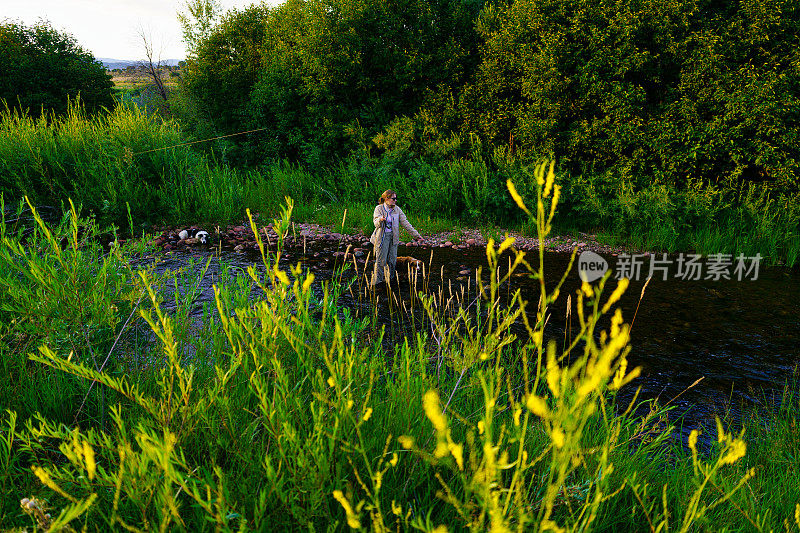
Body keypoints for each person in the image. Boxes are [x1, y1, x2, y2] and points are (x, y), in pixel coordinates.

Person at [370, 190, 424, 286]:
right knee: (381, 262)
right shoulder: (379, 208)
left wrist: (417, 236)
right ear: (386, 199)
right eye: (393, 199)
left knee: (392, 261)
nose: (395, 201)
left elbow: (405, 223)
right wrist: (380, 219)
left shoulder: (397, 209)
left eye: (396, 199)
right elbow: (375, 222)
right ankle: (376, 283)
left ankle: (389, 281)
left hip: (393, 238)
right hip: (382, 238)